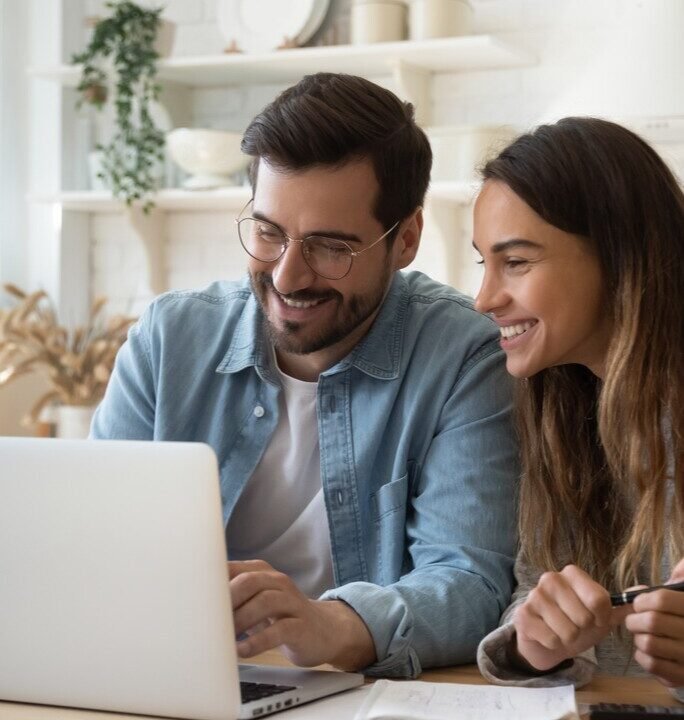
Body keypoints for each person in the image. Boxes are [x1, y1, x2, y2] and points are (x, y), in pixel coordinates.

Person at [91, 73, 519, 677]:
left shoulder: (463, 358)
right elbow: (92, 544)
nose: (288, 276)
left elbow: (469, 583)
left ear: (407, 240)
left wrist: (331, 625)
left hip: (356, 692)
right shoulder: (168, 340)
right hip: (170, 674)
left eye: (330, 246)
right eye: (268, 232)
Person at [472, 116, 684, 701]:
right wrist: (534, 644)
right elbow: (534, 588)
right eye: (482, 263)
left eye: (515, 262)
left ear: (618, 258)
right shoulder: (563, 409)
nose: (484, 298)